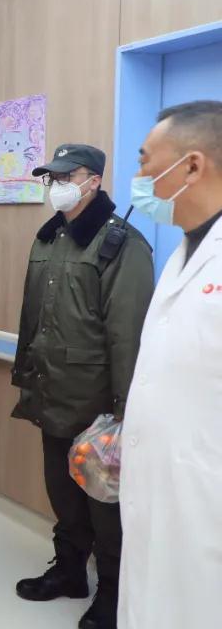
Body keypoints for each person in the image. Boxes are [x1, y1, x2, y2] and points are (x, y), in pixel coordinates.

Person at [10, 145, 154, 629]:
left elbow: (127, 333)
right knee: (63, 493)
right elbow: (31, 317)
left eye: (65, 177)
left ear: (93, 181)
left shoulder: (122, 243)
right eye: (51, 178)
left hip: (98, 405)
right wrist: (25, 376)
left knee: (104, 506)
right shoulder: (48, 237)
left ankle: (113, 594)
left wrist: (125, 410)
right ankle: (70, 572)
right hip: (51, 392)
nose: (56, 186)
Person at [119, 101, 222, 629]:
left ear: (192, 165)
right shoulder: (183, 254)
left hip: (205, 504)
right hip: (161, 488)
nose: (138, 176)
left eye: (144, 160)